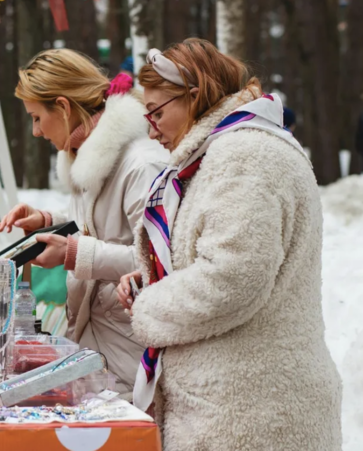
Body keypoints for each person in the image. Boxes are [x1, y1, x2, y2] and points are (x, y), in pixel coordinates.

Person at [115, 39, 341, 450]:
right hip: (233, 406)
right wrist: (153, 274)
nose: (151, 128)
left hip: (252, 415)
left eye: (158, 112)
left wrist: (150, 302)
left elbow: (233, 277)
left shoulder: (245, 155)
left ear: (195, 95)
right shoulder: (220, 153)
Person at [0, 49, 168, 398]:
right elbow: (97, 227)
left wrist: (73, 253)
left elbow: (161, 261)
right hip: (100, 348)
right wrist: (48, 222)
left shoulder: (141, 163)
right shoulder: (88, 154)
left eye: (37, 118)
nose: (36, 132)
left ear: (63, 106)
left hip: (130, 356)